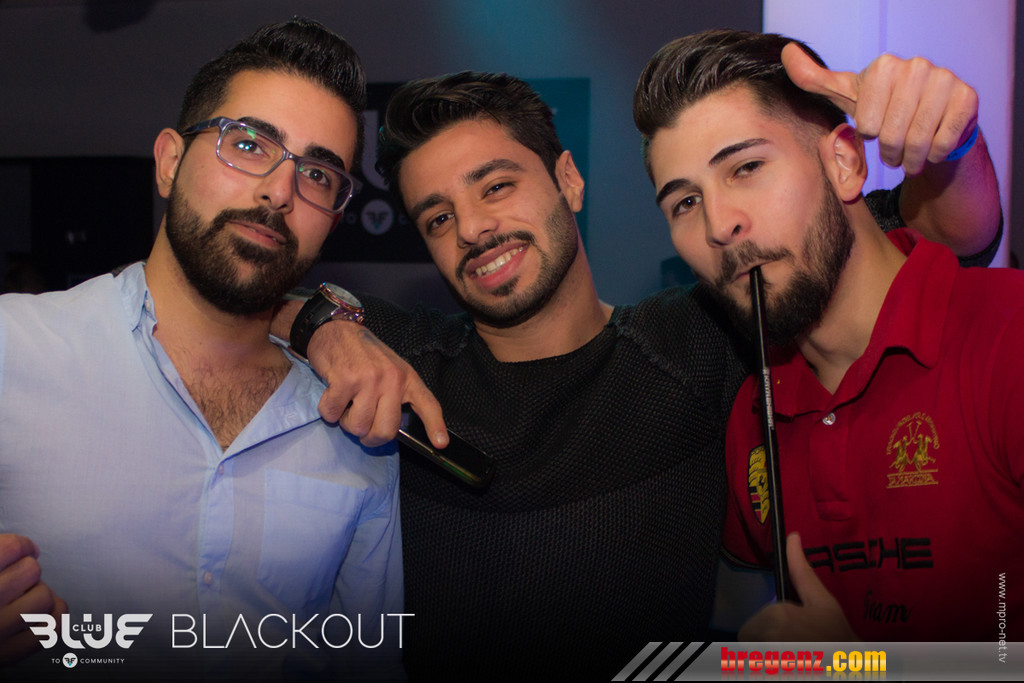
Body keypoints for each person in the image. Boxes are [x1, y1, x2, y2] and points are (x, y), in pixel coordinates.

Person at [280, 45, 1001, 677]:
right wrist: (321, 326)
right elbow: (245, 303)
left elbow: (943, 231)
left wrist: (951, 135)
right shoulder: (403, 360)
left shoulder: (701, 337)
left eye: (496, 185)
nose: (472, 228)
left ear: (568, 180)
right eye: (438, 218)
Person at [0, 19, 411, 680]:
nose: (279, 191)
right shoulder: (13, 350)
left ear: (335, 216)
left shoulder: (359, 425)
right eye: (247, 144)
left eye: (317, 173)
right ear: (169, 162)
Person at [633, 28, 1023, 642]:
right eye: (684, 203)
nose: (718, 225)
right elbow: (744, 619)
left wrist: (863, 668)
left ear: (844, 162)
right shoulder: (753, 414)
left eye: (746, 167)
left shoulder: (1009, 340)